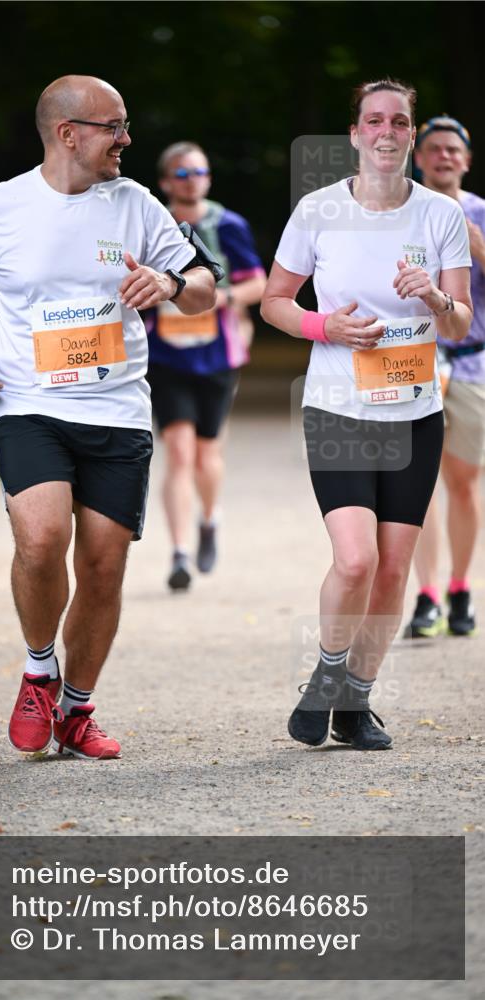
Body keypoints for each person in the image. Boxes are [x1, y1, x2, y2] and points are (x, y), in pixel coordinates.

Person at [0, 76, 216, 760]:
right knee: (41, 539)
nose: (126, 139)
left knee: (103, 564)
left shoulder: (137, 204)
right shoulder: (0, 207)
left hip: (118, 409)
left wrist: (171, 283)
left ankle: (76, 709)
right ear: (68, 134)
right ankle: (39, 671)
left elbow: (206, 288)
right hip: (29, 403)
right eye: (113, 127)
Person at [261, 78, 472, 751]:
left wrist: (435, 298)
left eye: (399, 121)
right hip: (338, 408)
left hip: (414, 414)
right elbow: (273, 301)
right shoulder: (317, 210)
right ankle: (327, 674)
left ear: (410, 135)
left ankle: (355, 700)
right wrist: (324, 327)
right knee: (355, 561)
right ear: (354, 134)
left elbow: (460, 323)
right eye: (374, 120)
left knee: (393, 568)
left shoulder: (440, 215)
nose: (387, 131)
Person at [145, 142, 266, 590]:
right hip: (165, 355)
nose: (191, 180)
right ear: (165, 182)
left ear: (209, 178)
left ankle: (210, 519)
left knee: (206, 451)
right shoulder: (152, 225)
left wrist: (221, 298)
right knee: (178, 451)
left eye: (198, 171)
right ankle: (179, 553)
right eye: (181, 173)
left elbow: (258, 283)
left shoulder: (228, 225)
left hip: (217, 354)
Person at [405, 116, 485, 638]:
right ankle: (427, 593)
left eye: (453, 150)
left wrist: (476, 244)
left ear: (466, 160)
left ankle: (460, 587)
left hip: (473, 362)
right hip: (414, 359)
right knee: (418, 483)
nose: (443, 157)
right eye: (433, 149)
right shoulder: (401, 211)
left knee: (463, 481)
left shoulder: (480, 212)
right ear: (419, 159)